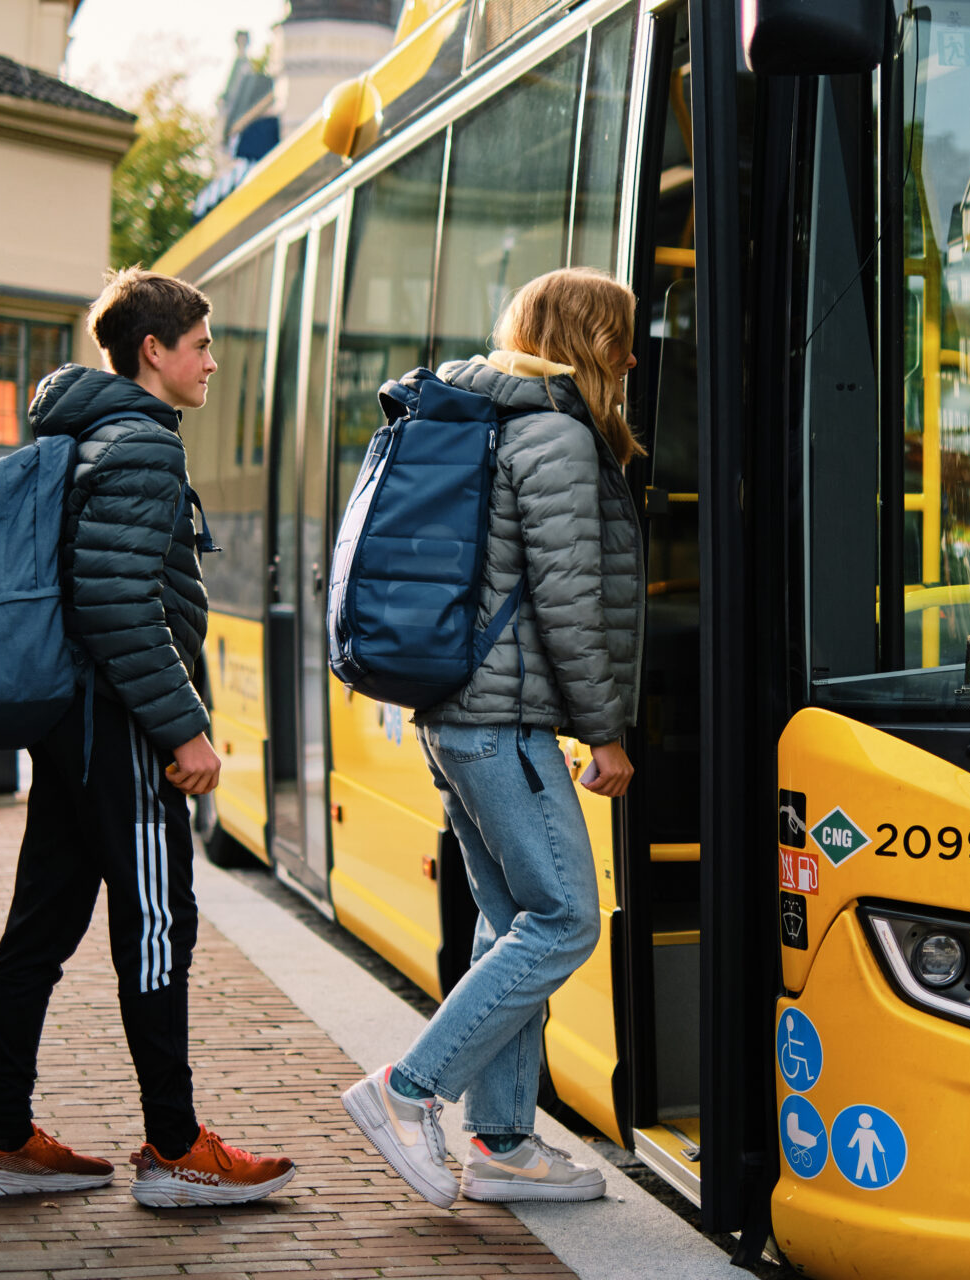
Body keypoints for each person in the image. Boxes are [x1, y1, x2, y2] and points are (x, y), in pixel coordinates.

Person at [0, 267, 295, 1208]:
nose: (212, 363)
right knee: (155, 928)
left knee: (41, 928)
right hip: (122, 728)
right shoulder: (143, 445)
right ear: (154, 350)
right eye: (201, 345)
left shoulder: (85, 431)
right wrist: (184, 730)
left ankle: (3, 1136)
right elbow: (116, 604)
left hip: (72, 723)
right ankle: (178, 1149)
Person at [342, 267, 643, 1207]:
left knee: (511, 923)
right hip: (499, 720)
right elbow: (569, 604)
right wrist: (604, 732)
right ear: (591, 342)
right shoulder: (552, 435)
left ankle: (505, 1144)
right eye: (623, 338)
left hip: (459, 715)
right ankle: (406, 1090)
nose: (635, 357)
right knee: (562, 921)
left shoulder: (490, 415)